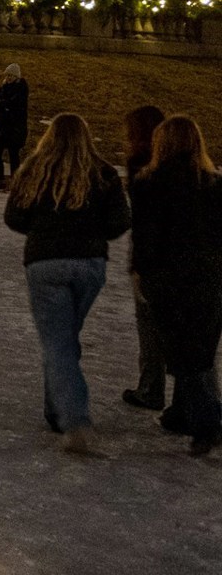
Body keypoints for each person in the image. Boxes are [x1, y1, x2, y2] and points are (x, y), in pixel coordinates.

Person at [3, 113, 131, 455]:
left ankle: (74, 420)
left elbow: (14, 217)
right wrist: (89, 233)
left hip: (45, 264)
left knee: (58, 342)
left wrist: (44, 230)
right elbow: (120, 222)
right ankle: (56, 410)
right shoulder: (103, 173)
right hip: (89, 265)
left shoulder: (33, 169)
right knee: (63, 337)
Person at [127, 115, 222, 455]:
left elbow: (145, 236)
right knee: (201, 348)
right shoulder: (213, 184)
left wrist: (141, 273)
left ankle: (209, 422)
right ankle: (184, 413)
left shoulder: (148, 183)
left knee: (182, 352)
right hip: (210, 277)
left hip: (168, 278)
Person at [121, 104, 170, 412]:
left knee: (149, 321)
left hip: (153, 255)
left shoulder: (141, 164)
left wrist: (138, 263)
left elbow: (141, 219)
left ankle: (151, 387)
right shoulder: (184, 162)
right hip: (186, 257)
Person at [0, 63, 30, 191]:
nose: (9, 77)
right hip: (0, 127)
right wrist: (1, 106)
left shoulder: (21, 88)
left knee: (13, 154)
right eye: (8, 75)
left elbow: (16, 105)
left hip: (15, 127)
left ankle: (14, 181)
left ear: (17, 76)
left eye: (12, 75)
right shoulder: (3, 88)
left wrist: (2, 104)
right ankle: (0, 180)